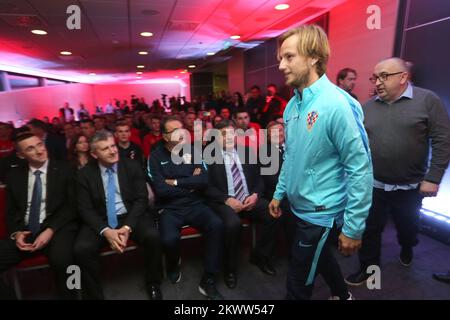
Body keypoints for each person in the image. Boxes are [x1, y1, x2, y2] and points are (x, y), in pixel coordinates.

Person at [270, 24, 373, 300]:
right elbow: (291, 156)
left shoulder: (337, 104)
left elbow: (360, 169)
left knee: (298, 282)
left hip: (321, 214)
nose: (281, 65)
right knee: (318, 257)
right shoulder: (293, 104)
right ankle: (343, 295)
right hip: (297, 205)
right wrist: (279, 193)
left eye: (289, 57)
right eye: (281, 58)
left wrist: (353, 227)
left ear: (314, 58)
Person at [345, 57, 450, 286]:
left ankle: (407, 246)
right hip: (374, 185)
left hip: (410, 187)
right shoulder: (367, 107)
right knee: (370, 230)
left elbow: (443, 141)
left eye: (385, 76)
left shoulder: (427, 100)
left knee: (407, 228)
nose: (378, 82)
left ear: (403, 77)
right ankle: (369, 270)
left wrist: (433, 178)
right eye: (376, 77)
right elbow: (358, 146)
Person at [74, 130, 163, 300]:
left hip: (130, 216)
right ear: (94, 154)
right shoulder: (84, 174)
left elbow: (141, 200)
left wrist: (127, 227)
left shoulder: (131, 165)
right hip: (101, 220)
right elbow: (84, 209)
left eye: (113, 146)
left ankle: (153, 282)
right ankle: (94, 295)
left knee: (153, 236)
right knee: (81, 249)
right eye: (105, 148)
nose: (113, 151)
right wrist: (106, 231)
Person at [148, 116, 224, 300]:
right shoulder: (155, 156)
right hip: (169, 209)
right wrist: (190, 185)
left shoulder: (193, 150)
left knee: (217, 225)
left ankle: (209, 279)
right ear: (165, 137)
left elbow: (204, 181)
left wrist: (175, 182)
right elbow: (161, 190)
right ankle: (174, 264)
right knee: (169, 240)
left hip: (195, 205)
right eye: (175, 131)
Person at [0, 133, 78, 299]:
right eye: (30, 148)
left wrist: (50, 230)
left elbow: (72, 206)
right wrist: (17, 234)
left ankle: (73, 296)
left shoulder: (66, 169)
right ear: (21, 155)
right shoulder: (14, 176)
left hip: (57, 228)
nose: (39, 150)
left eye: (40, 144)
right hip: (27, 231)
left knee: (67, 263)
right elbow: (11, 212)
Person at [206, 119, 278, 290]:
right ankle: (230, 269)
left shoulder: (246, 151)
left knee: (272, 213)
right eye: (224, 135)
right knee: (233, 224)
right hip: (225, 201)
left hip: (247, 198)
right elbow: (206, 187)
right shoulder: (208, 155)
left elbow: (259, 179)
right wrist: (226, 200)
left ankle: (260, 256)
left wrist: (255, 195)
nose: (229, 138)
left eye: (231, 134)